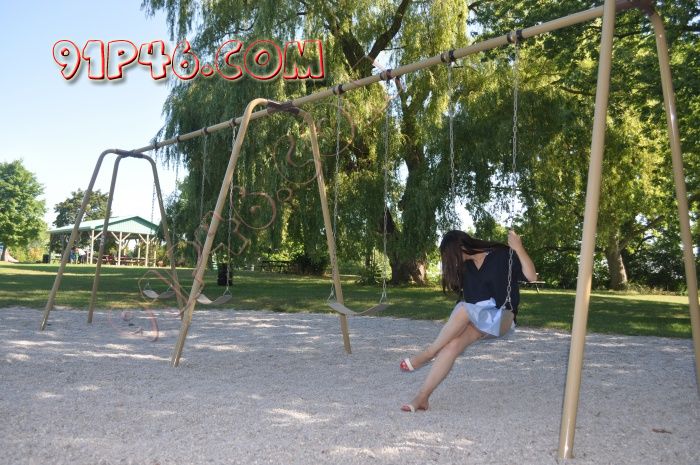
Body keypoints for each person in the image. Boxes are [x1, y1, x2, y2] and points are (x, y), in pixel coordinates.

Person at [400, 229, 537, 413]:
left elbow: (532, 276)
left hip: (504, 317)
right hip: (479, 322)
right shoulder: (467, 269)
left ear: (462, 247)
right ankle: (422, 398)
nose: (452, 262)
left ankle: (428, 353)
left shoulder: (501, 255)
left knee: (464, 308)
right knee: (452, 345)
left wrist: (518, 248)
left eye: (451, 256)